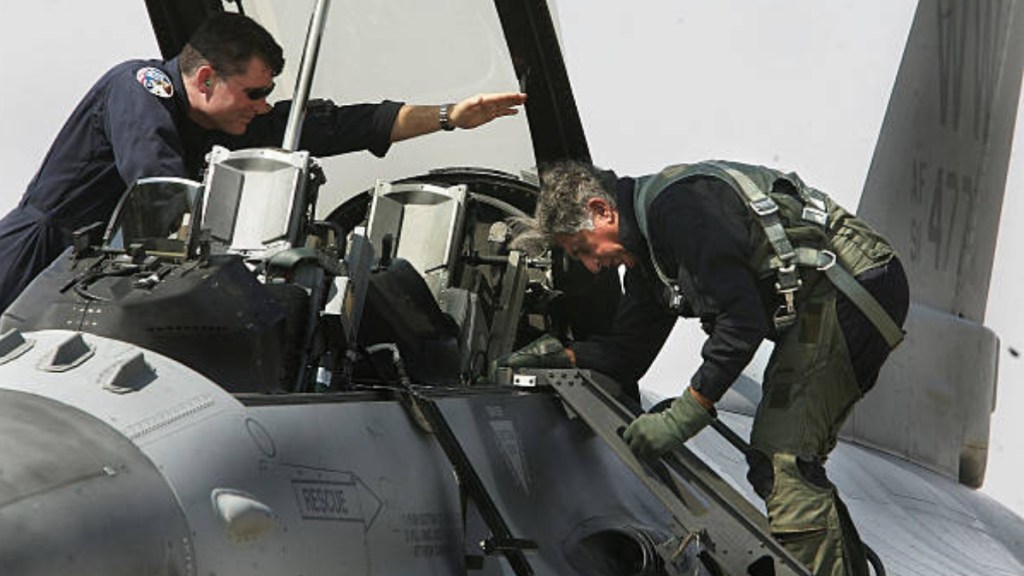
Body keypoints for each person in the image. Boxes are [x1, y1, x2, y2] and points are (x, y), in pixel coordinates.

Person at [507, 159, 909, 575]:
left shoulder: (680, 213)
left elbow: (740, 326)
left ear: (602, 211)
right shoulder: (650, 258)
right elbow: (626, 353)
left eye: (585, 248)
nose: (592, 265)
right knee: (784, 459)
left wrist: (686, 413)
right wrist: (561, 356)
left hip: (850, 288)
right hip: (827, 302)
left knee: (783, 459)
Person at [0, 12, 527, 312]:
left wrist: (448, 116)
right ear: (205, 79)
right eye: (254, 92)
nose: (261, 107)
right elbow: (158, 181)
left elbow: (340, 125)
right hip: (33, 256)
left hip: (82, 272)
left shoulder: (222, 118)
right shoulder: (140, 88)